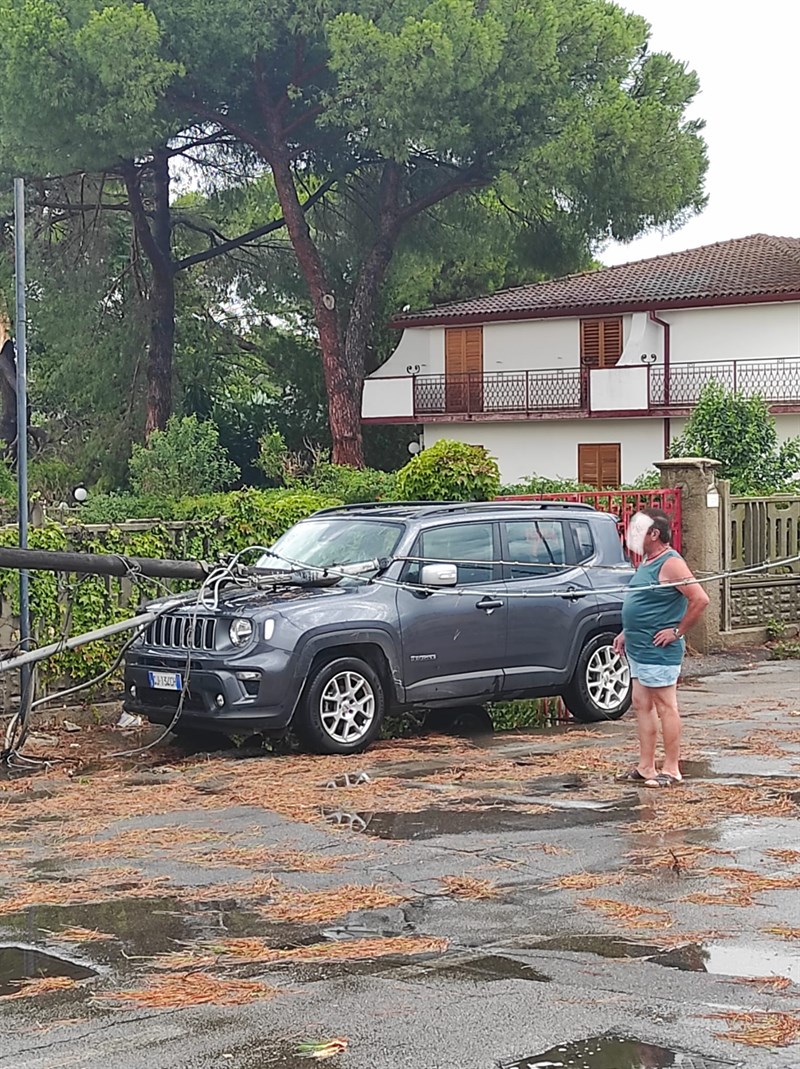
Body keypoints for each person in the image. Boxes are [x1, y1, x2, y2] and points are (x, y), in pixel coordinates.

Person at [614, 508, 709, 788]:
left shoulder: (671, 563)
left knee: (666, 705)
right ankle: (646, 766)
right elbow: (643, 603)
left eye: (639, 530)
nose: (632, 535)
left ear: (655, 534)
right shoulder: (646, 561)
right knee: (641, 704)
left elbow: (700, 599)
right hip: (638, 646)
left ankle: (672, 768)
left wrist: (677, 632)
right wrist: (625, 632)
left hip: (659, 650)